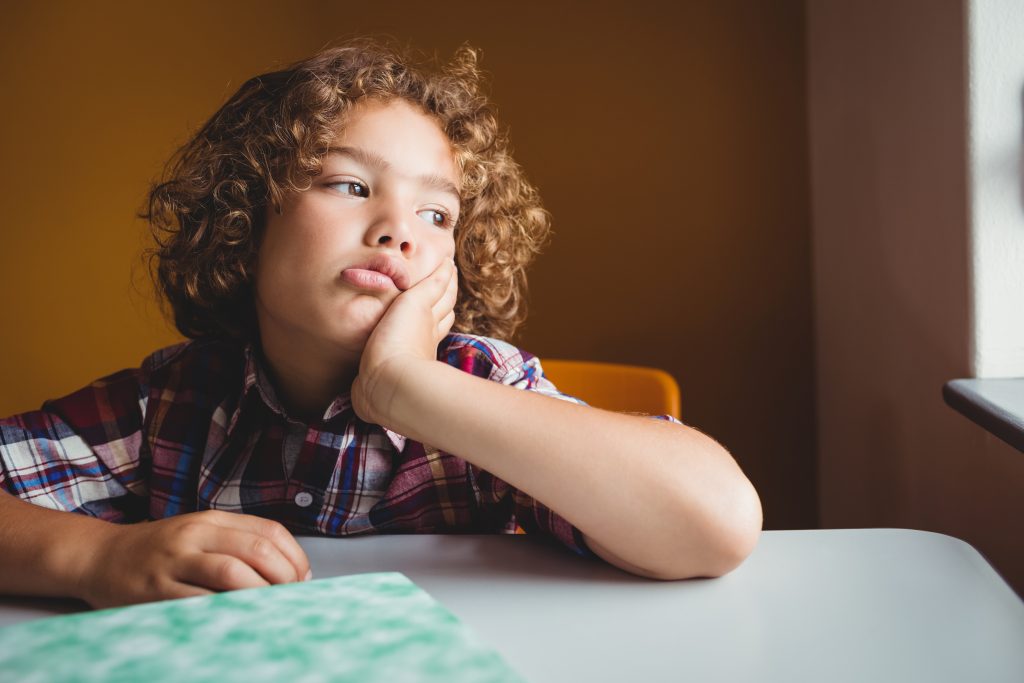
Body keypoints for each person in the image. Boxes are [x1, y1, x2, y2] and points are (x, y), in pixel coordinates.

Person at [0, 39, 762, 608]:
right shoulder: (172, 404)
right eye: (350, 183)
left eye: (437, 213)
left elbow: (718, 523)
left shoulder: (481, 386)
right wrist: (95, 558)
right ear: (245, 218)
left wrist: (405, 387)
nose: (400, 229)